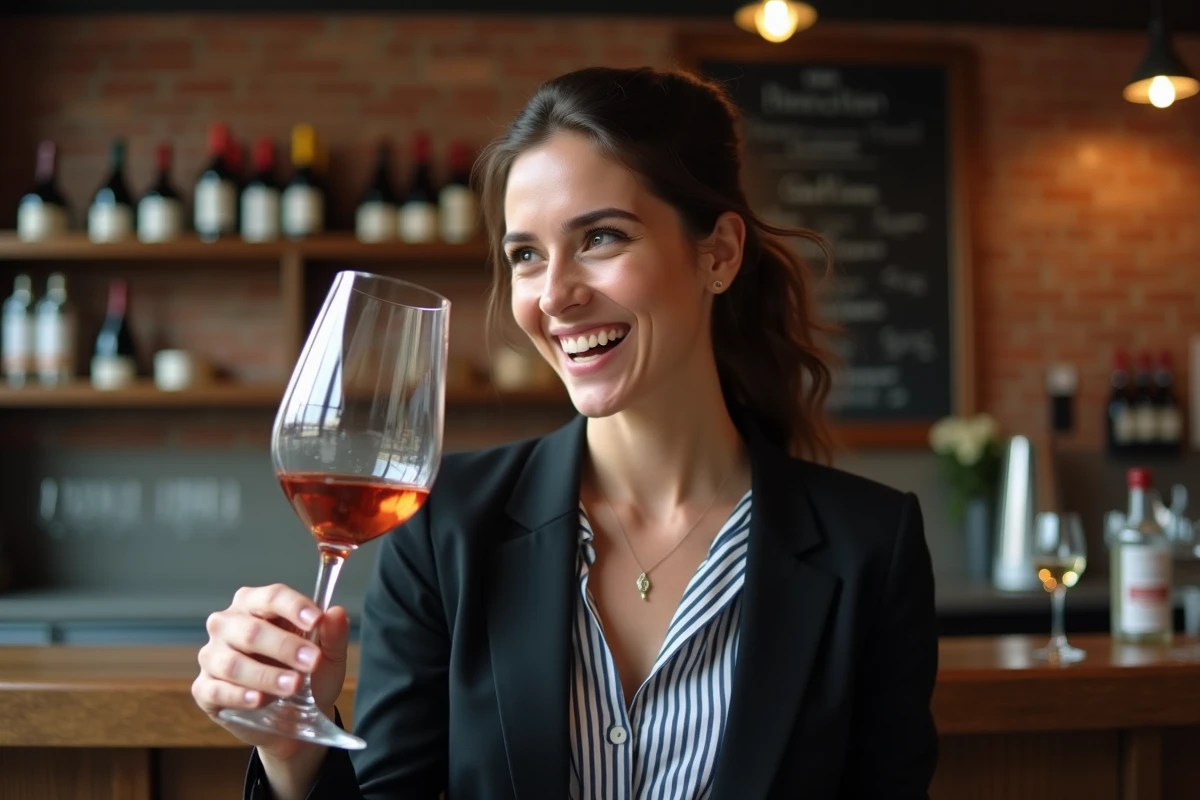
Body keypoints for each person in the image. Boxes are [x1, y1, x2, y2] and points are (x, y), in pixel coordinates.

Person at [192, 65, 939, 800]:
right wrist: (293, 752)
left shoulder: (871, 546)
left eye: (601, 238)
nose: (555, 296)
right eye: (526, 255)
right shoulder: (444, 528)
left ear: (718, 253)